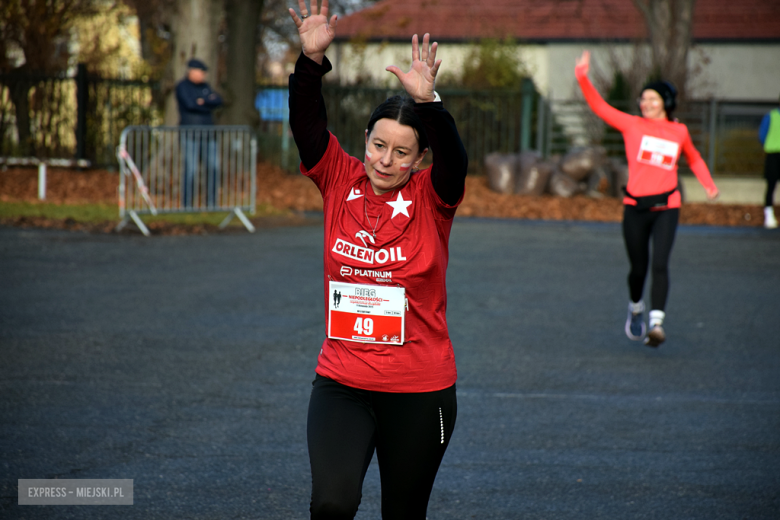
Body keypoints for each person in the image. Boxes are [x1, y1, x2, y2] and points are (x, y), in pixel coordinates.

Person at [287, 0, 468, 518]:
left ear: (420, 159)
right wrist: (309, 62)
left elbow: (455, 159)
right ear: (364, 139)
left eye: (402, 152)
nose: (385, 161)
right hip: (342, 382)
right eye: (378, 144)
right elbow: (306, 125)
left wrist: (430, 104)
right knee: (331, 504)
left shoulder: (436, 198)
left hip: (420, 391)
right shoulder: (338, 176)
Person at [575, 50, 719, 348]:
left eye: (653, 98)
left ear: (666, 102)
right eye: (643, 98)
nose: (646, 103)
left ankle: (657, 324)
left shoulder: (678, 131)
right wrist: (582, 77)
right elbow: (599, 107)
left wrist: (708, 185)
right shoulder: (632, 125)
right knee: (638, 268)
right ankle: (636, 307)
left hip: (667, 205)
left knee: (661, 264)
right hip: (635, 207)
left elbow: (693, 159)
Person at [175, 58, 223, 208]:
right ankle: (187, 205)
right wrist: (205, 103)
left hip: (209, 135)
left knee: (214, 167)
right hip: (190, 134)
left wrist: (203, 102)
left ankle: (211, 203)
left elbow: (218, 101)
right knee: (191, 169)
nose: (203, 76)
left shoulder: (205, 86)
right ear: (192, 71)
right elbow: (190, 104)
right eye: (201, 72)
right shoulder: (182, 86)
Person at [758, 96, 780, 229]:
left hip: (771, 154)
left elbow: (762, 136)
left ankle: (769, 216)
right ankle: (769, 216)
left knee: (770, 186)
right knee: (771, 186)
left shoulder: (770, 116)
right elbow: (762, 135)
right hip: (772, 154)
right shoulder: (771, 116)